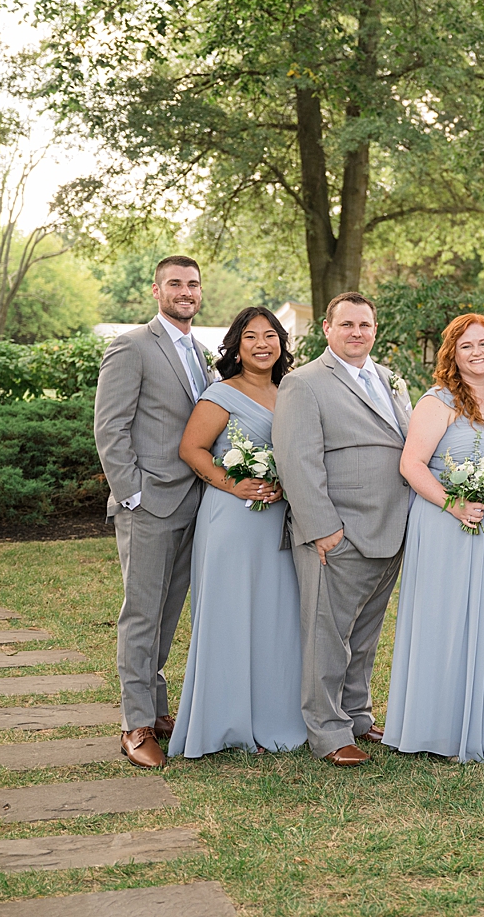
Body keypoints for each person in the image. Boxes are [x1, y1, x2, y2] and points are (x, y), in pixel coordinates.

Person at [383, 314, 484, 761]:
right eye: (466, 346)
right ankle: (440, 728)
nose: (477, 353)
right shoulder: (439, 400)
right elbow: (411, 465)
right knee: (448, 621)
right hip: (449, 523)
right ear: (452, 352)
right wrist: (453, 505)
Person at [272, 292, 411, 766]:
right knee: (327, 636)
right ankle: (329, 733)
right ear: (327, 329)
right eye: (347, 324)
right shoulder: (303, 383)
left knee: (366, 634)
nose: (357, 333)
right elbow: (297, 459)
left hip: (392, 529)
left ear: (376, 330)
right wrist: (322, 527)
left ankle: (356, 715)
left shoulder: (391, 380)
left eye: (366, 325)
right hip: (339, 532)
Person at [94, 255, 214, 769]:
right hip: (149, 505)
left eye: (192, 284)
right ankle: (135, 724)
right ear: (156, 289)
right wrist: (133, 493)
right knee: (141, 614)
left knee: (168, 615)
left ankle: (157, 707)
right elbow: (110, 428)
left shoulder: (203, 353)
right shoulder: (132, 346)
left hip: (194, 503)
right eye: (174, 284)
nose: (185, 292)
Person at [170, 307, 304, 757]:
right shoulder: (221, 394)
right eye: (251, 337)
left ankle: (274, 716)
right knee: (231, 616)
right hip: (231, 521)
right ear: (237, 346)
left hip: (279, 524)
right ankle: (225, 723)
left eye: (271, 335)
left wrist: (289, 482)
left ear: (282, 343)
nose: (262, 344)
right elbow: (192, 449)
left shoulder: (294, 392)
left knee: (275, 616)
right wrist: (234, 483)